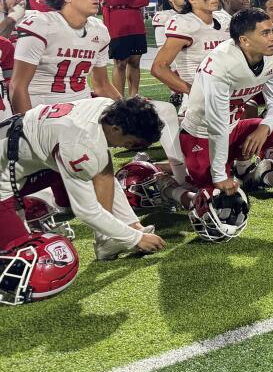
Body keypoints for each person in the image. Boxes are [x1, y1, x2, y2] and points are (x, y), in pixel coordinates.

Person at [180, 8, 273, 223]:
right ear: (244, 40)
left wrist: (265, 128)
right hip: (202, 135)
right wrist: (219, 176)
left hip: (234, 127)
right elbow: (216, 124)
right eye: (265, 33)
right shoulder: (220, 63)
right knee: (215, 202)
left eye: (272, 30)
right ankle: (166, 181)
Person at [1, 96, 168, 261]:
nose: (127, 147)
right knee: (22, 257)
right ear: (116, 129)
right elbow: (87, 211)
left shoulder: (107, 107)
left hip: (22, 151)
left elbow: (105, 174)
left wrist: (133, 226)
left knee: (91, 164)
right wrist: (135, 238)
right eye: (130, 143)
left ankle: (106, 238)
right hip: (6, 176)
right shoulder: (79, 143)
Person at [11, 0, 117, 113]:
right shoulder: (41, 25)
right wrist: (26, 125)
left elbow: (102, 85)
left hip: (82, 108)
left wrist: (129, 110)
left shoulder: (99, 29)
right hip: (43, 109)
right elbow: (18, 86)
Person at [151, 0, 229, 106]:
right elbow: (159, 68)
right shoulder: (185, 23)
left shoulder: (224, 19)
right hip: (199, 103)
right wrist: (193, 92)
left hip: (224, 93)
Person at [97, 0, 149, 98]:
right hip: (116, 28)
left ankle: (134, 96)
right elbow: (109, 0)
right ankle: (119, 99)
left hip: (137, 26)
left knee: (135, 61)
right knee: (120, 63)